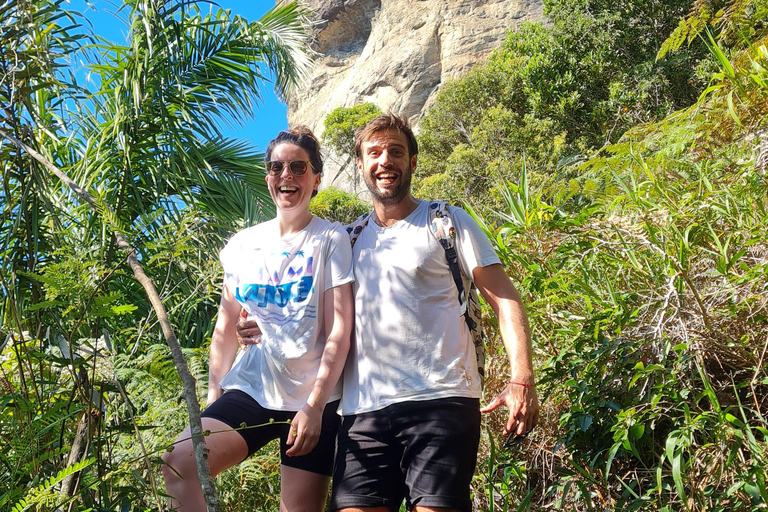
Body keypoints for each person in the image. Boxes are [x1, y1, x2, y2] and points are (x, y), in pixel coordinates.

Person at [238, 113, 539, 512]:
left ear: (413, 162)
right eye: (374, 153)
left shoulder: (446, 222)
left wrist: (521, 378)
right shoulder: (345, 240)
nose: (385, 161)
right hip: (362, 414)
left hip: (441, 401)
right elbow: (306, 309)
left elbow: (504, 299)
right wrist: (264, 322)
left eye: (396, 152)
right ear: (360, 165)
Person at [162, 127, 354, 512]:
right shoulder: (242, 245)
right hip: (251, 389)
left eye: (298, 167)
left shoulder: (331, 239)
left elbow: (340, 328)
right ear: (267, 176)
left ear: (316, 179)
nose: (287, 175)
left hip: (313, 398)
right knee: (181, 465)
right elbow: (226, 324)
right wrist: (214, 391)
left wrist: (315, 407)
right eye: (277, 166)